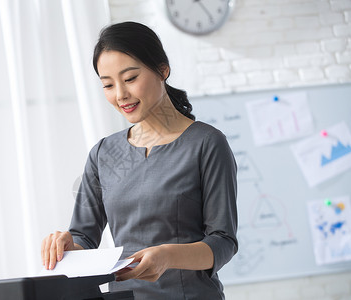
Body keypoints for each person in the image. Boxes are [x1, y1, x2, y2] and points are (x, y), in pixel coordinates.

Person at [41, 21, 238, 299]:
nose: (120, 95)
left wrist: (168, 256)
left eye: (130, 78)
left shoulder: (206, 143)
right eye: (108, 85)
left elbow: (223, 241)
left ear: (162, 70)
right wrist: (66, 245)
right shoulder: (103, 154)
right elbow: (83, 238)